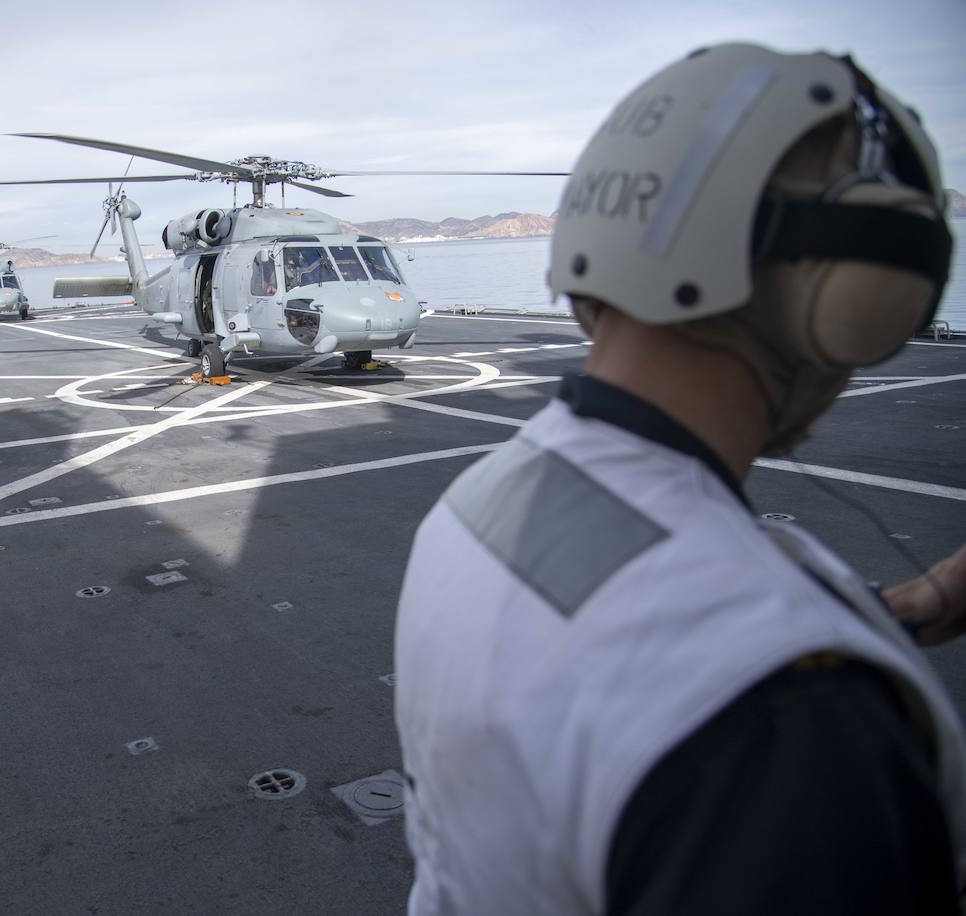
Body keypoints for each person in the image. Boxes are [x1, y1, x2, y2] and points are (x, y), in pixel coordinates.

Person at [395, 43, 966, 915]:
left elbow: (617, 647)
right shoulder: (795, 728)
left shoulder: (477, 504)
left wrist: (893, 612)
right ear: (857, 290)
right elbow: (703, 670)